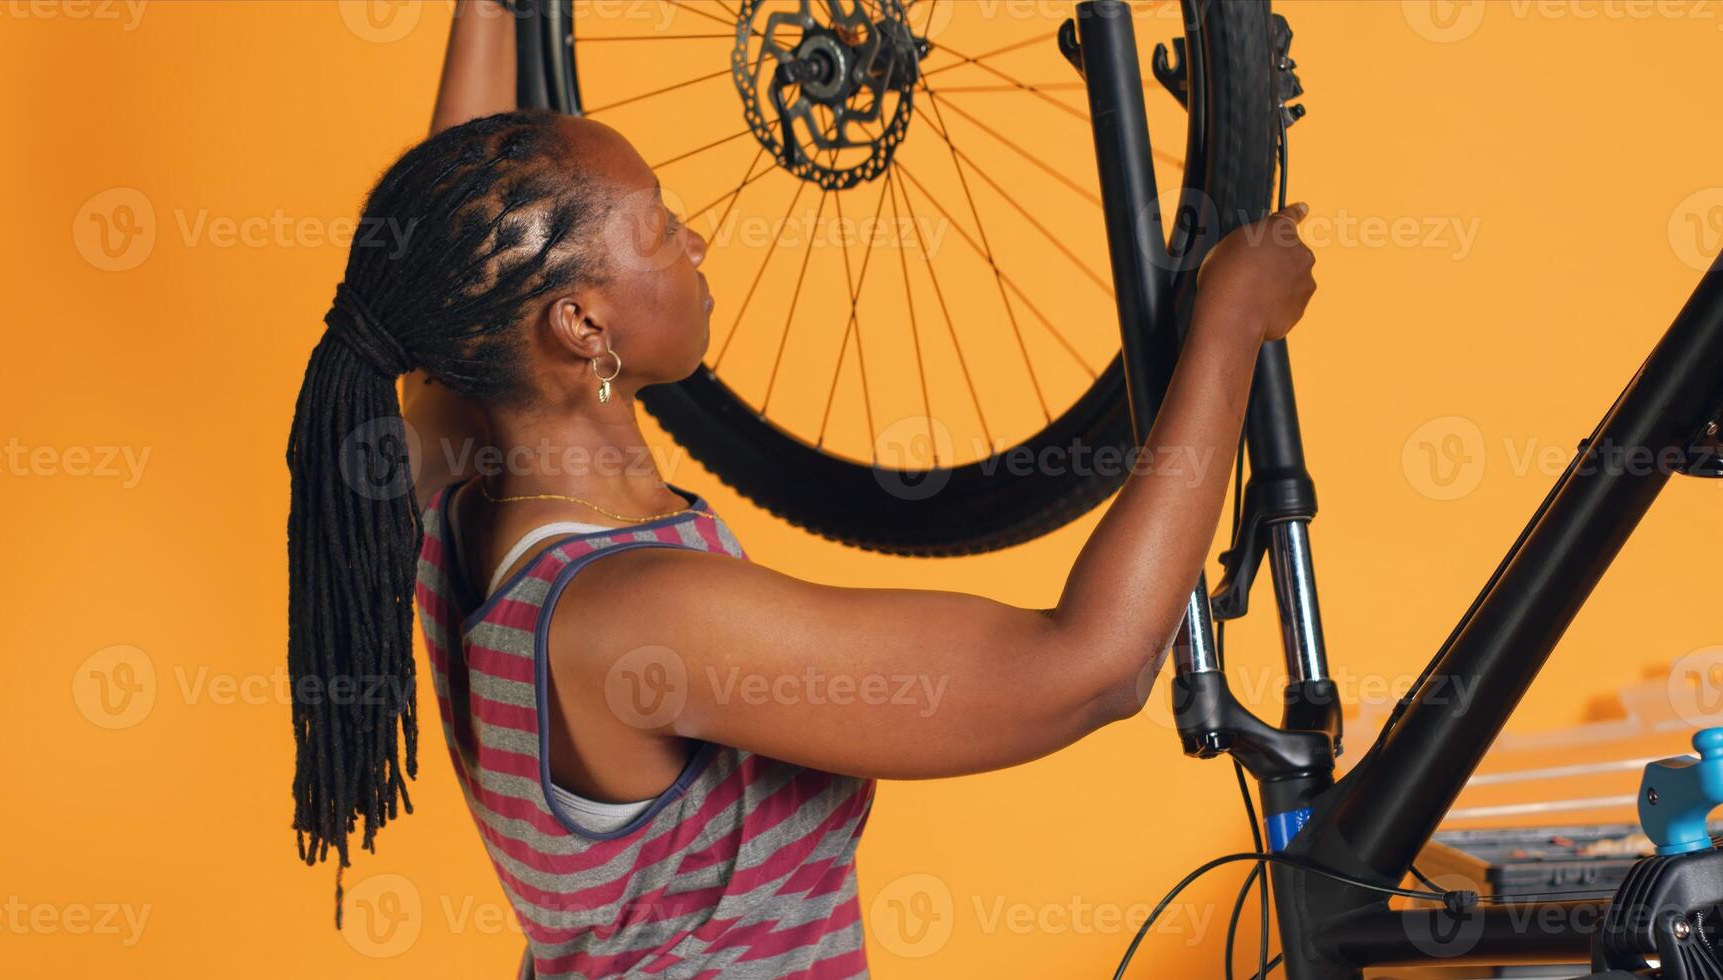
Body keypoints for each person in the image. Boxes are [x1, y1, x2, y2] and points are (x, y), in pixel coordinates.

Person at [283, 3, 1316, 976]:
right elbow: (1094, 667)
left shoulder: (446, 466)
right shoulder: (641, 618)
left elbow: (449, 242)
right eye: (660, 226)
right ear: (583, 326)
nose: (696, 241)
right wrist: (1229, 322)